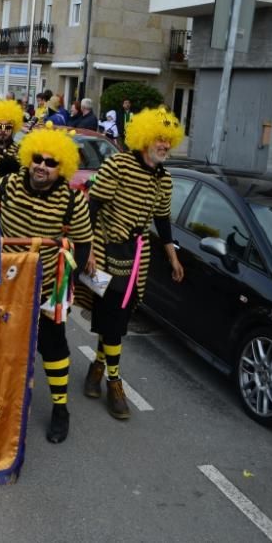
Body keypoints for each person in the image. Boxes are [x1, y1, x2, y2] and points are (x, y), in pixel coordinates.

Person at [0, 125, 93, 443]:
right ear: (28, 157)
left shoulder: (72, 199)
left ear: (60, 167)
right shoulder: (7, 183)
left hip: (46, 285)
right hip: (3, 285)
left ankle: (60, 409)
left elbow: (84, 242)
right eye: (37, 158)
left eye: (50, 162)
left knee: (53, 346)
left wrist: (66, 287)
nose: (42, 166)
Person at [80, 107, 185, 419]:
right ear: (143, 139)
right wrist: (89, 251)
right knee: (110, 317)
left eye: (168, 140)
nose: (164, 145)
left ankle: (97, 367)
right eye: (158, 138)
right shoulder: (118, 165)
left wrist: (172, 256)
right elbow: (92, 206)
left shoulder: (164, 179)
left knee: (117, 320)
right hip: (104, 251)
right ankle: (114, 381)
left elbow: (163, 219)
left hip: (136, 257)